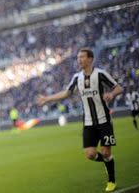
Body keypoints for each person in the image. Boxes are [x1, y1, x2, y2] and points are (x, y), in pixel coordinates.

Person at [37, 48, 123, 192]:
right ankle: (108, 162)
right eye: (78, 57)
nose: (79, 60)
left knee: (106, 152)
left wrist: (112, 94)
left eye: (82, 57)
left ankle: (111, 180)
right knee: (90, 154)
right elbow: (66, 93)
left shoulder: (100, 74)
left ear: (90, 59)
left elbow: (119, 88)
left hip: (104, 120)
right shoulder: (77, 77)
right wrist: (48, 98)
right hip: (88, 122)